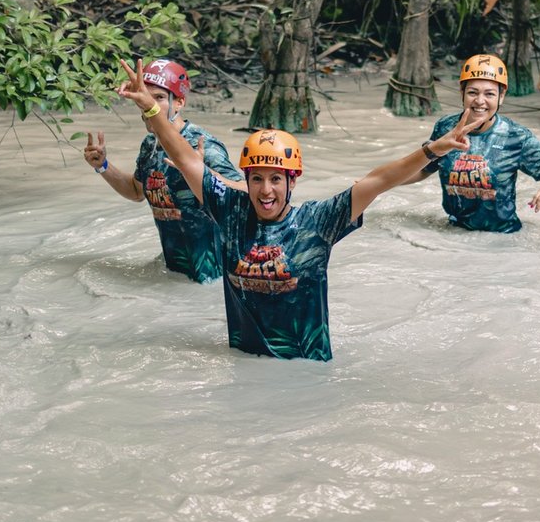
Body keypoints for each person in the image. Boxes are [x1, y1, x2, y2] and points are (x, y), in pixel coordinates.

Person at [116, 59, 484, 361]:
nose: (265, 190)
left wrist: (433, 150)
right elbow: (183, 157)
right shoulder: (229, 210)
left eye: (276, 179)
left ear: (293, 181)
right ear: (245, 179)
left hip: (305, 376)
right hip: (242, 369)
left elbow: (378, 180)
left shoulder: (317, 223)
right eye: (256, 178)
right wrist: (150, 107)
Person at [82, 59, 243, 282]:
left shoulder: (201, 144)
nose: (148, 104)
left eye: (158, 97)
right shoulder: (150, 145)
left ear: (179, 103)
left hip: (214, 279)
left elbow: (244, 194)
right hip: (173, 275)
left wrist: (201, 173)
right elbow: (136, 191)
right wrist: (103, 166)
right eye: (146, 96)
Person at [407, 53, 540, 232]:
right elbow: (424, 169)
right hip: (454, 233)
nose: (479, 101)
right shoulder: (445, 127)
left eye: (489, 94)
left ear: (501, 97)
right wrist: (382, 184)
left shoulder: (515, 136)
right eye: (472, 92)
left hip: (501, 238)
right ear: (462, 93)